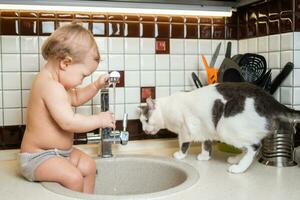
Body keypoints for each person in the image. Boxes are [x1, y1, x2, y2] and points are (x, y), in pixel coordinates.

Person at [19, 22, 115, 194]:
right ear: (65, 63)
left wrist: (95, 86)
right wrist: (99, 120)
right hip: (38, 157)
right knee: (74, 178)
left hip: (60, 154)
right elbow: (68, 123)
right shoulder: (48, 85)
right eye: (83, 75)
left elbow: (76, 98)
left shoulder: (58, 85)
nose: (82, 80)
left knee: (89, 166)